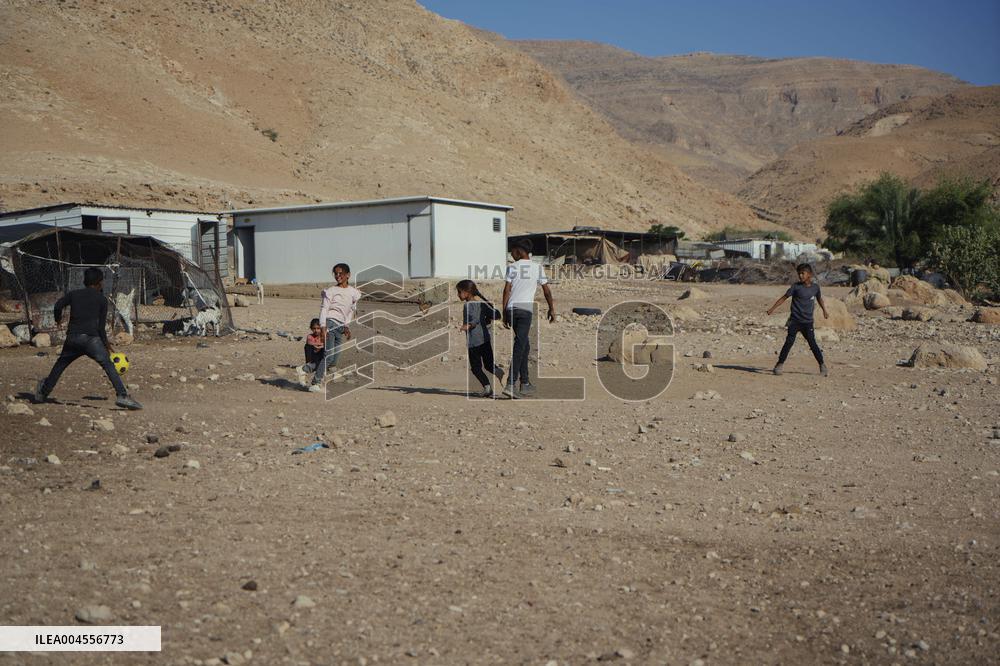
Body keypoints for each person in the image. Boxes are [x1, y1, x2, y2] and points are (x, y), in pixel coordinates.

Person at [33, 267, 143, 409]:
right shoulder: (102, 300)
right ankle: (122, 395)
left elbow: (58, 305)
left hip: (73, 338)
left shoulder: (74, 294)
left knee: (60, 365)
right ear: (99, 283)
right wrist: (108, 347)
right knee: (108, 365)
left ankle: (43, 393)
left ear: (85, 281)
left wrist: (58, 319)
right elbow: (101, 328)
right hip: (92, 340)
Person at [501, 239, 555, 399]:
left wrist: (504, 312)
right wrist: (552, 308)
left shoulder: (512, 267)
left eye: (512, 251)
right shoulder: (537, 268)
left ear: (519, 251)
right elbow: (546, 291)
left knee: (524, 344)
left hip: (511, 309)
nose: (511, 254)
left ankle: (525, 383)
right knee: (520, 344)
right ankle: (511, 384)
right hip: (525, 311)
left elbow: (506, 291)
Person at [766, 263, 829, 376]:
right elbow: (784, 298)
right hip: (794, 321)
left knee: (812, 343)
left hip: (807, 322)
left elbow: (819, 299)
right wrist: (772, 308)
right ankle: (779, 365)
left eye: (802, 273)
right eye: (799, 273)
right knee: (788, 342)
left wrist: (824, 310)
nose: (800, 275)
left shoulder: (815, 288)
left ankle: (822, 365)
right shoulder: (796, 287)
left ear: (809, 274)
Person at [309, 263, 361, 392]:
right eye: (335, 274)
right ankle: (315, 383)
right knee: (329, 356)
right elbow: (324, 308)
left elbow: (350, 311)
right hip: (330, 323)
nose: (338, 276)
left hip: (340, 327)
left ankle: (307, 369)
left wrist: (346, 326)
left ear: (348, 275)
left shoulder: (354, 293)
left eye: (340, 274)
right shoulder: (331, 291)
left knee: (334, 359)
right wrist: (323, 326)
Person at [456, 279, 505, 398]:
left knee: (476, 368)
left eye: (459, 292)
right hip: (485, 340)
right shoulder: (481, 304)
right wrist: (490, 306)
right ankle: (499, 373)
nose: (458, 295)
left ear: (467, 292)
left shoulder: (469, 305)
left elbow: (475, 318)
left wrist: (469, 325)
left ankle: (487, 388)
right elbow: (497, 315)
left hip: (474, 342)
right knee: (488, 365)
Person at [296, 318, 324, 384]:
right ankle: (309, 364)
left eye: (318, 328)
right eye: (314, 328)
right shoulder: (310, 336)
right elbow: (311, 344)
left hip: (319, 355)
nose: (316, 330)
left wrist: (321, 346)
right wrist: (321, 345)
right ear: (311, 328)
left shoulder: (323, 336)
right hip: (312, 355)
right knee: (307, 346)